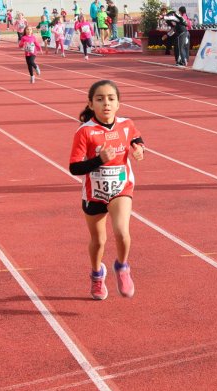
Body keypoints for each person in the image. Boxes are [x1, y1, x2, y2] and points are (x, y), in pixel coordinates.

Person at [69, 80, 145, 300]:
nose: (106, 104)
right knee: (99, 241)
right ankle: (97, 274)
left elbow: (137, 139)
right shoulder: (84, 132)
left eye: (111, 99)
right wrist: (98, 159)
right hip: (94, 192)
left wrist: (139, 149)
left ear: (118, 103)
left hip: (121, 187)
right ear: (91, 104)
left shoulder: (127, 124)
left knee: (122, 232)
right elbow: (74, 167)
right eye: (100, 99)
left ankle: (122, 267)